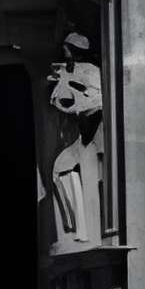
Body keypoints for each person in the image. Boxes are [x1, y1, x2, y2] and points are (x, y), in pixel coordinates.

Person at [44, 33, 103, 249]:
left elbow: (96, 98)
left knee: (81, 178)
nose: (64, 52)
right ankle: (74, 226)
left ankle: (84, 231)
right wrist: (63, 79)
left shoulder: (91, 71)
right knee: (58, 171)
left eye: (67, 49)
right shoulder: (69, 70)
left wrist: (72, 86)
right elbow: (60, 101)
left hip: (90, 132)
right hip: (77, 133)